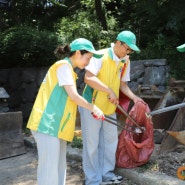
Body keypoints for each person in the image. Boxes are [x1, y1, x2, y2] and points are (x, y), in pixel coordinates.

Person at [26, 38, 105, 185]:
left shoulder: (68, 70)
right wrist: (93, 107)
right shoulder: (63, 66)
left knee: (59, 168)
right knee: (49, 172)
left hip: (56, 126)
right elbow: (74, 96)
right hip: (47, 124)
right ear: (77, 53)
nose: (88, 62)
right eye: (88, 58)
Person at [79, 30, 144, 185]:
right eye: (127, 48)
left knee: (110, 142)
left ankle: (106, 174)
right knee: (92, 145)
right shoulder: (99, 55)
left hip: (109, 107)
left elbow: (122, 85)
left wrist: (135, 98)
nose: (128, 52)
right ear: (118, 43)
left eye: (131, 51)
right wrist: (108, 90)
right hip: (91, 105)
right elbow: (88, 78)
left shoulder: (125, 61)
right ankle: (93, 180)